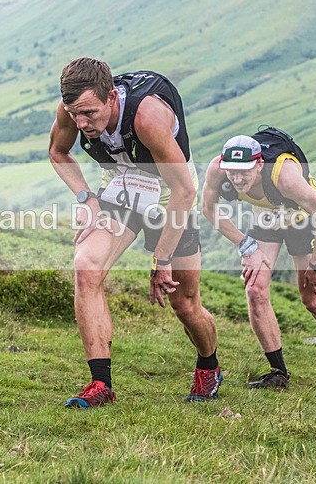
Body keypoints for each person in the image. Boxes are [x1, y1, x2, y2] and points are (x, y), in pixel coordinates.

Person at [48, 57, 220, 407]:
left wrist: (162, 259)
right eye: (74, 113)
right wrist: (87, 197)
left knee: (185, 304)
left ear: (111, 97)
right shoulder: (71, 111)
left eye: (89, 114)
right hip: (121, 186)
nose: (82, 123)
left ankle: (209, 366)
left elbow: (185, 192)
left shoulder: (147, 117)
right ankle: (101, 384)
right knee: (87, 266)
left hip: (172, 194)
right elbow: (58, 152)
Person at [201, 127, 316, 389]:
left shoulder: (285, 176)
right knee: (255, 291)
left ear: (259, 164)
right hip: (265, 218)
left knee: (311, 300)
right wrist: (246, 246)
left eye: (244, 171)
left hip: (301, 219)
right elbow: (208, 209)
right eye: (232, 171)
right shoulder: (218, 168)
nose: (236, 179)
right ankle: (278, 373)